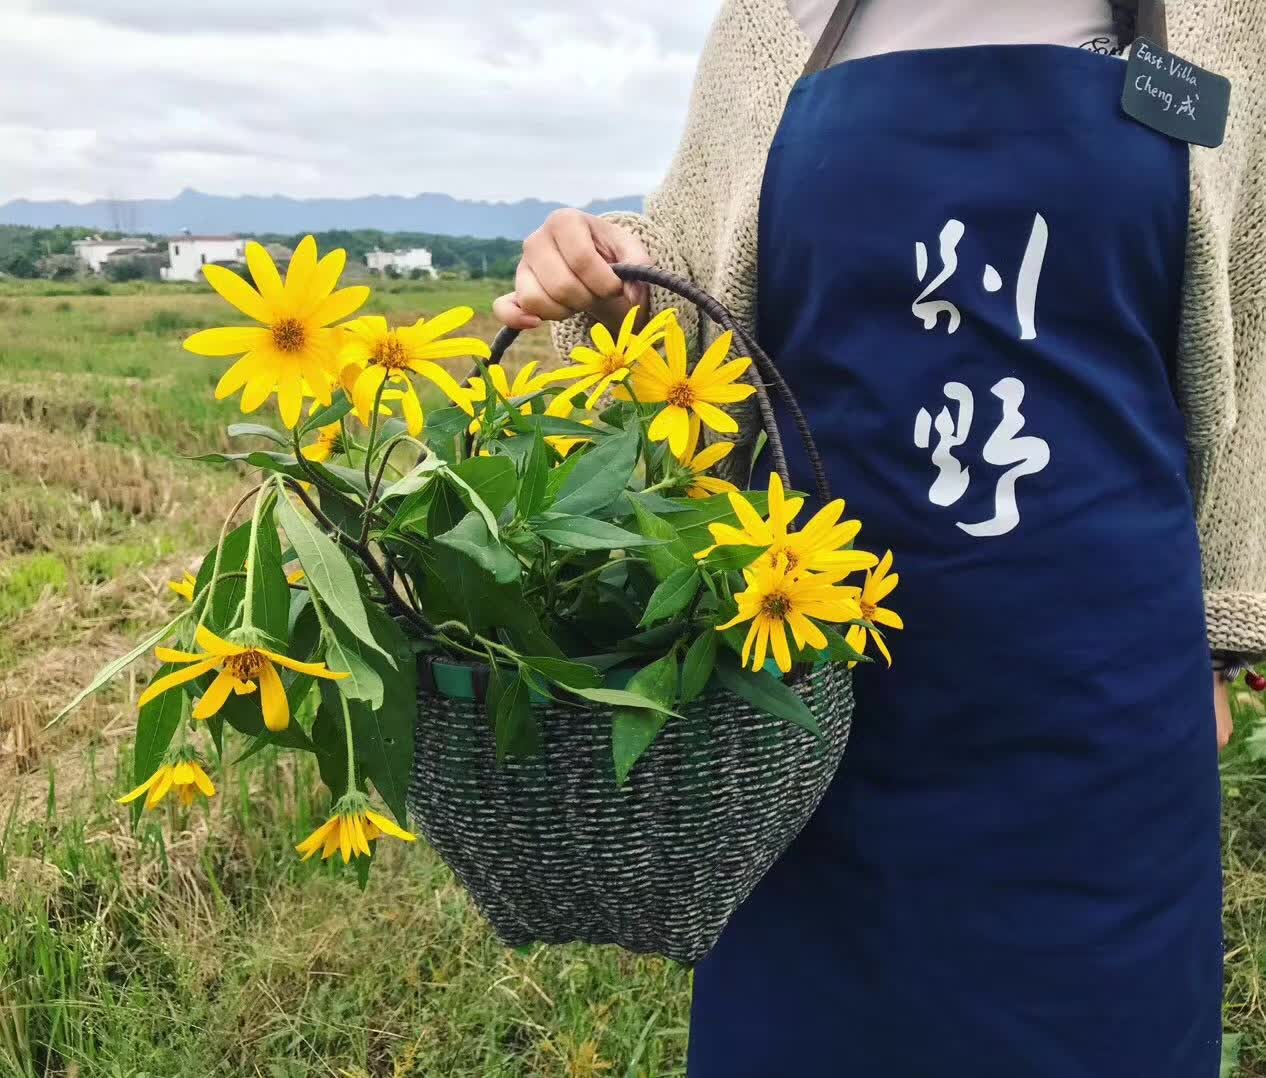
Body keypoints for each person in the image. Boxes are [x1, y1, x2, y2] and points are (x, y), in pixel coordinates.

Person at [495, 2, 1266, 1074]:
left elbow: (1253, 328)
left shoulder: (1223, 25)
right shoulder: (777, 23)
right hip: (803, 695)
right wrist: (598, 273)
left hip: (1106, 720)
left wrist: (1222, 632)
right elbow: (698, 313)